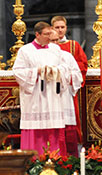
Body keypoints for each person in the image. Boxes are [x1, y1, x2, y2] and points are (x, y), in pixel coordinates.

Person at [13, 22, 72, 155]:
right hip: (35, 97)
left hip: (53, 96)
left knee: (53, 128)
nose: (49, 37)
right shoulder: (25, 50)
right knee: (36, 128)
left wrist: (57, 71)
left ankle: (55, 160)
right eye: (46, 34)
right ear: (37, 34)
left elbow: (66, 68)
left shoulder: (55, 49)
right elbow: (18, 72)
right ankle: (34, 161)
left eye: (50, 34)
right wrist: (37, 72)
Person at [51, 16, 88, 145]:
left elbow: (82, 65)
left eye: (62, 27)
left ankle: (73, 143)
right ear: (52, 28)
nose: (60, 30)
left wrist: (68, 74)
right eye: (57, 27)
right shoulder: (46, 49)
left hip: (68, 88)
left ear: (66, 28)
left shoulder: (73, 45)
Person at [49, 29, 83, 157]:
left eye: (57, 40)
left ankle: (70, 161)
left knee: (68, 133)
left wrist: (65, 76)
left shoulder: (67, 56)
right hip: (49, 99)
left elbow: (78, 76)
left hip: (64, 97)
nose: (55, 43)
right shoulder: (40, 56)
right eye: (52, 41)